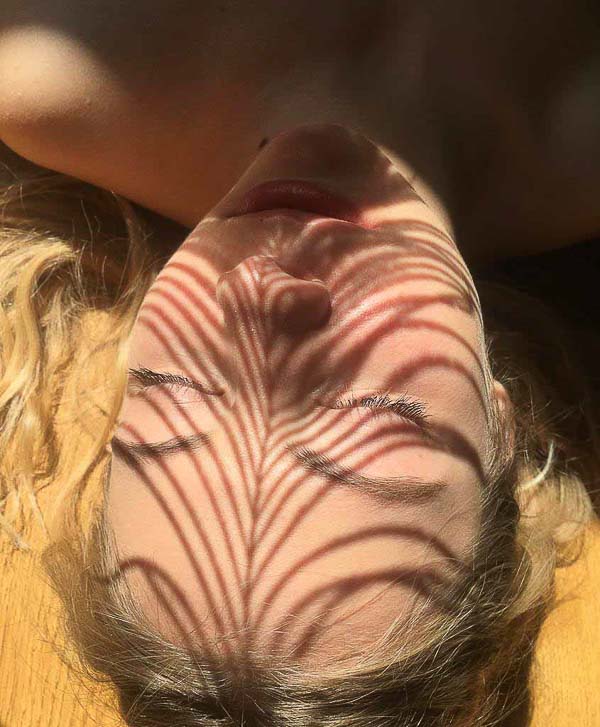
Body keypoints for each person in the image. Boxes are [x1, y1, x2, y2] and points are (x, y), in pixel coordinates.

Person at [0, 4, 598, 726]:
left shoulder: (52, 66)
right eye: (378, 414)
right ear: (500, 422)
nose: (264, 291)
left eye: (173, 385)